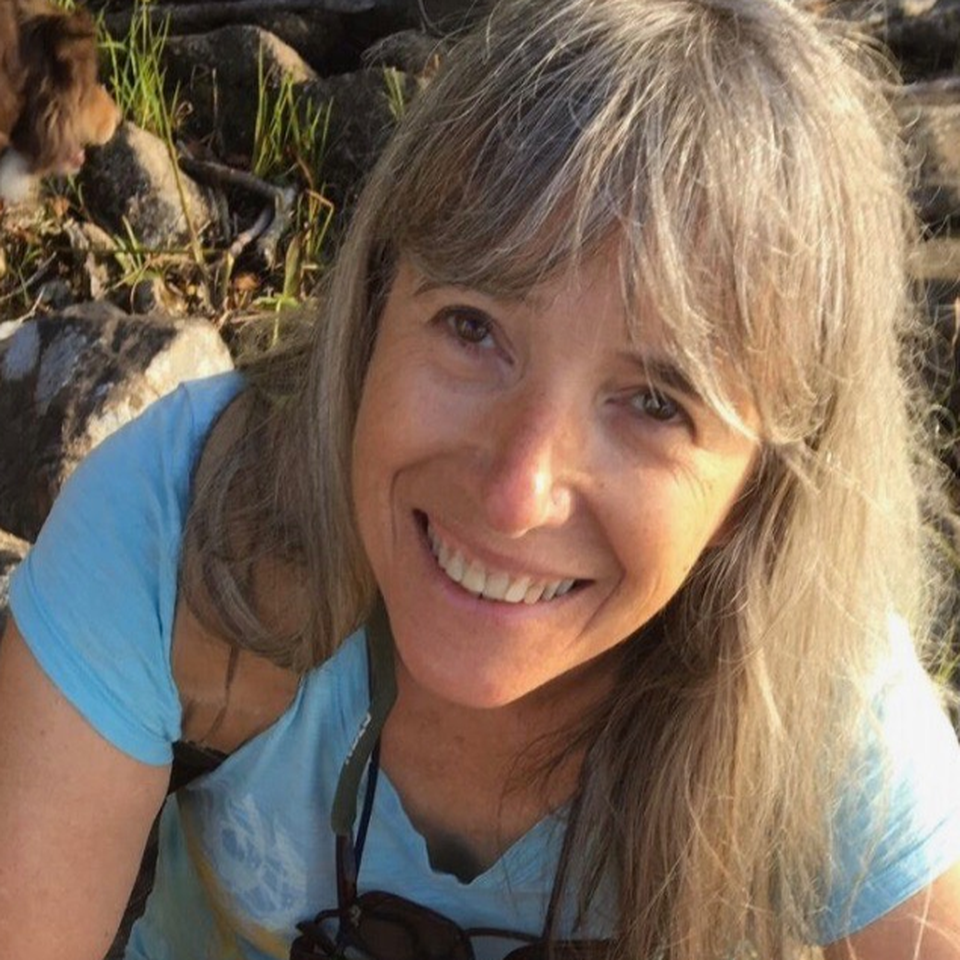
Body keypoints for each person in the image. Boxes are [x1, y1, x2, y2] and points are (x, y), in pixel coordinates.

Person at [2, 0, 960, 957]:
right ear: (372, 313)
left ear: (761, 488)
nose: (516, 492)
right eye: (473, 328)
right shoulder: (184, 532)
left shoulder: (818, 709)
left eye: (655, 403)